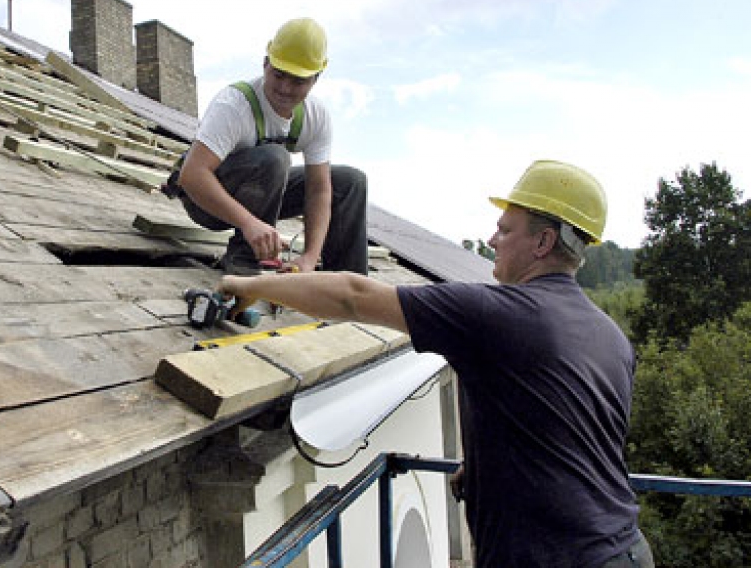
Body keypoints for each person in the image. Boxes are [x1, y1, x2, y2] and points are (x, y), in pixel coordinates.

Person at [220, 160, 654, 568]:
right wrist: (483, 464)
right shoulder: (610, 335)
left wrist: (252, 284)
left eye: (505, 229)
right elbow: (566, 426)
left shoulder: (498, 313)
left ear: (542, 242)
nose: (491, 240)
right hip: (626, 549)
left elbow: (353, 295)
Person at [174, 18, 367, 275]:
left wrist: (309, 258)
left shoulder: (316, 116)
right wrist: (249, 224)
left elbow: (319, 190)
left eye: (298, 81)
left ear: (315, 79)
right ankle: (245, 256)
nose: (285, 88)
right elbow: (192, 176)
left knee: (350, 181)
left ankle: (346, 284)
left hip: (263, 197)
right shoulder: (234, 105)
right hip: (206, 202)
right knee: (275, 158)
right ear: (266, 63)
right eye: (278, 75)